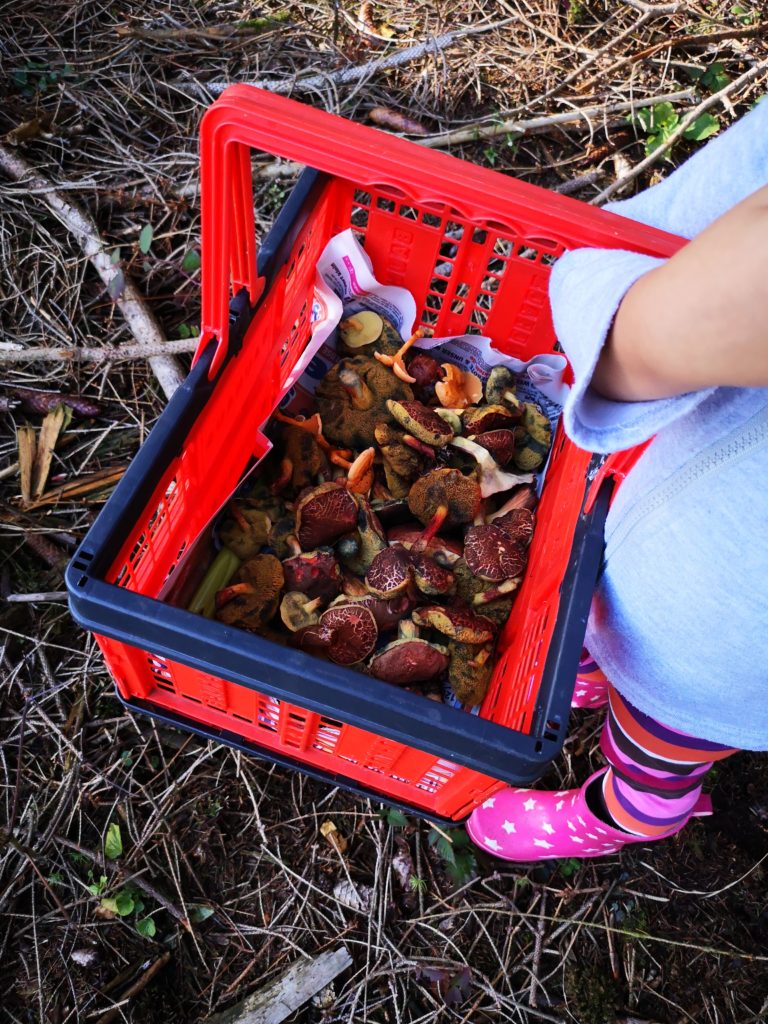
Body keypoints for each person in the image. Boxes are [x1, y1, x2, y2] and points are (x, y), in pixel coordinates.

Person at [467, 97, 768, 861]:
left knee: (662, 737)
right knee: (583, 587)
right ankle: (593, 661)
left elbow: (645, 340)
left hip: (722, 642)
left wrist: (596, 294)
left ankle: (631, 814)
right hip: (648, 508)